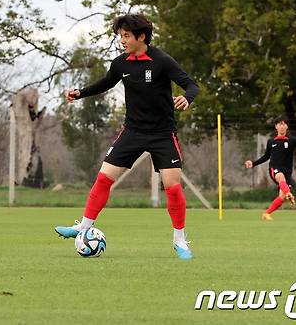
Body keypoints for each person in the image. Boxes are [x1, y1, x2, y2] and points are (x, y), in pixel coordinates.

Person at [54, 13, 199, 260]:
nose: (122, 40)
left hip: (163, 134)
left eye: (126, 36)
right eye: (120, 35)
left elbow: (191, 85)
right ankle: (84, 226)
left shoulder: (162, 60)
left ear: (141, 37)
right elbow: (105, 83)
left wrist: (187, 97)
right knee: (104, 177)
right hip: (132, 132)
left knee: (173, 187)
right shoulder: (120, 63)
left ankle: (179, 241)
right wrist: (80, 93)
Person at [244, 116, 296, 221]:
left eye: (284, 124)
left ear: (287, 126)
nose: (282, 126)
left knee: (282, 197)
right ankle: (289, 193)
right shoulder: (271, 141)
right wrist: (253, 163)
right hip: (274, 169)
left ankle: (266, 213)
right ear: (276, 126)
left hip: (287, 172)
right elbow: (266, 157)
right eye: (280, 124)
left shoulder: (292, 140)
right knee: (281, 177)